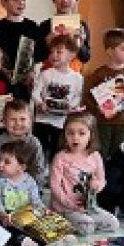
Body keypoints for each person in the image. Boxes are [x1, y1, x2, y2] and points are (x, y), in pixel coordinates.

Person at [83, 28, 124, 159]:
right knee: (101, 151)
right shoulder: (100, 73)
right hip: (104, 121)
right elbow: (87, 96)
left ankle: (117, 171)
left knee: (120, 152)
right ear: (110, 51)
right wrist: (96, 109)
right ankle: (101, 171)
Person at [50, 112, 120, 235]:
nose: (75, 137)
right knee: (87, 228)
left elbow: (102, 180)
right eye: (70, 133)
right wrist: (69, 203)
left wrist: (96, 185)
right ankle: (66, 221)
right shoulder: (60, 157)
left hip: (88, 207)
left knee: (113, 224)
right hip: (65, 207)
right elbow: (54, 186)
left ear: (91, 135)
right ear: (64, 134)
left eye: (81, 133)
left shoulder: (95, 156)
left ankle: (85, 221)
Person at [0, 141, 54, 246]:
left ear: (21, 167)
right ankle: (23, 242)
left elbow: (36, 201)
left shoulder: (30, 181)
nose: (0, 164)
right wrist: (2, 215)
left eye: (6, 162)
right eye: (0, 160)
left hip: (26, 217)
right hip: (7, 219)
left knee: (39, 225)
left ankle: (48, 241)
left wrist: (43, 209)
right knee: (3, 231)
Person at [32, 32, 84, 161]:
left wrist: (72, 106)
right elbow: (35, 93)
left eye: (59, 52)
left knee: (57, 149)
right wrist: (40, 103)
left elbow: (77, 96)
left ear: (72, 55)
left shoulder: (77, 78)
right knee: (40, 149)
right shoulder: (46, 74)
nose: (54, 55)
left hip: (61, 121)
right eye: (52, 52)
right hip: (42, 119)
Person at [0, 99, 48, 189]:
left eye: (22, 119)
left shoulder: (34, 143)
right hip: (5, 187)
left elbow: (39, 170)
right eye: (13, 119)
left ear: (30, 122)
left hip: (30, 187)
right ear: (4, 122)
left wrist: (35, 188)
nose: (18, 123)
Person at [38, 0, 91, 67]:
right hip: (49, 73)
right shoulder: (45, 25)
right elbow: (37, 57)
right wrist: (47, 42)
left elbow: (86, 58)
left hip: (73, 74)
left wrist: (80, 44)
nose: (65, 0)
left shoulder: (81, 26)